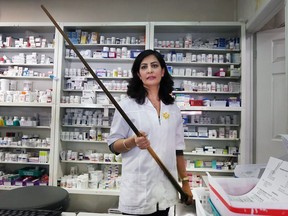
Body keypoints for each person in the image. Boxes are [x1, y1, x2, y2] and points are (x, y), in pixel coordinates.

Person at [107, 49, 193, 215]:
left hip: (165, 190)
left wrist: (186, 183)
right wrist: (132, 142)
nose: (150, 70)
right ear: (139, 75)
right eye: (144, 67)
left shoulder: (173, 108)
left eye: (154, 65)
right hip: (138, 192)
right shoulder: (127, 105)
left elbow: (178, 150)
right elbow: (113, 145)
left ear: (162, 71)